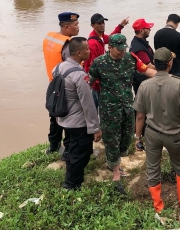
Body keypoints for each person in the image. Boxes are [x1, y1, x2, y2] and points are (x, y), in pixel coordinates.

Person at [88, 34, 156, 194]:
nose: (122, 52)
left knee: (125, 137)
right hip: (109, 109)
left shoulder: (130, 59)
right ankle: (115, 170)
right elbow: (89, 83)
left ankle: (115, 162)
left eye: (123, 48)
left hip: (127, 106)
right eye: (119, 49)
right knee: (111, 137)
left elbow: (146, 71)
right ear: (109, 47)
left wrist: (165, 77)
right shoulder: (99, 63)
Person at [133, 48, 180, 213]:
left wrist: (138, 137)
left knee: (153, 168)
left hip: (152, 134)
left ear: (155, 65)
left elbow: (139, 116)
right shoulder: (178, 83)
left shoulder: (144, 86)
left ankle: (158, 206)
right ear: (170, 64)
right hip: (174, 133)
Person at [55, 37, 102, 190]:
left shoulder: (58, 67)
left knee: (72, 148)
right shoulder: (80, 76)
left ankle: (73, 174)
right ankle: (71, 185)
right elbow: (88, 105)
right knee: (79, 154)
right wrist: (95, 128)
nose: (90, 51)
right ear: (79, 53)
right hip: (78, 123)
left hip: (63, 118)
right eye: (87, 49)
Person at [42, 12, 80, 158]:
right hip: (65, 86)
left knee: (54, 115)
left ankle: (53, 145)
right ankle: (68, 151)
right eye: (75, 25)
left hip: (52, 84)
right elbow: (71, 67)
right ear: (66, 27)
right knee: (69, 116)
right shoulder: (68, 45)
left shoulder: (50, 37)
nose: (78, 27)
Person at [83, 13, 129, 108]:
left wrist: (120, 26)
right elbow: (94, 66)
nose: (102, 25)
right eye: (98, 23)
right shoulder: (93, 43)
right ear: (92, 25)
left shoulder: (101, 37)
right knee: (99, 108)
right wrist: (101, 85)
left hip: (100, 81)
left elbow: (111, 38)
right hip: (97, 84)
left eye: (103, 22)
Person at [153, 14, 180, 82]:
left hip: (161, 70)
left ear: (166, 21)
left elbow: (157, 51)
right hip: (176, 70)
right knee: (178, 90)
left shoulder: (157, 34)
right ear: (177, 23)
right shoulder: (179, 36)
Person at [129, 18, 155, 95]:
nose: (150, 29)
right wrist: (164, 66)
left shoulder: (140, 42)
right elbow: (149, 66)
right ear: (141, 31)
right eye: (148, 28)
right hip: (143, 83)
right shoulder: (138, 48)